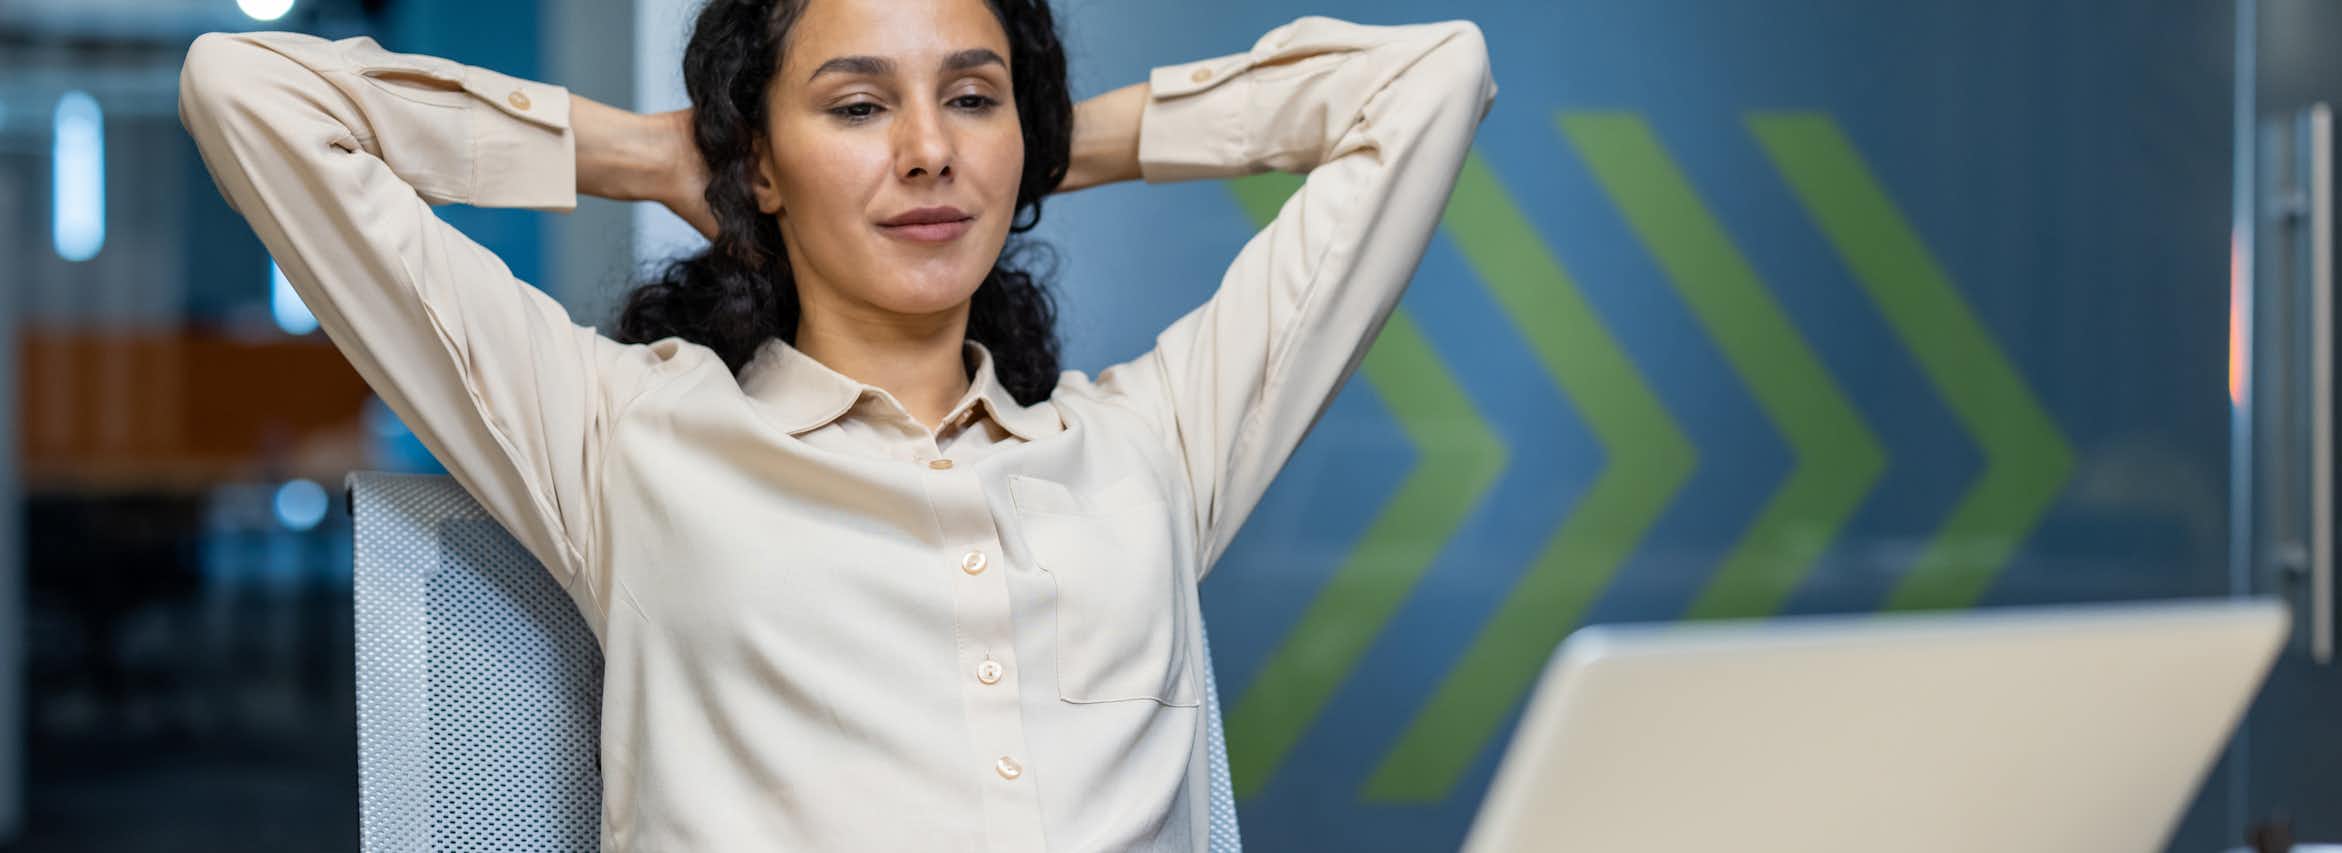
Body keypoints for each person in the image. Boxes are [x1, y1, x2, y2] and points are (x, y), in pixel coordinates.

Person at [177, 0, 1493, 847]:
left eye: (969, 97)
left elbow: (1433, 78)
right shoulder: (624, 437)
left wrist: (1048, 142)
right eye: (859, 106)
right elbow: (248, 93)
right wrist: (643, 153)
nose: (928, 150)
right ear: (759, 159)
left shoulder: (1148, 449)